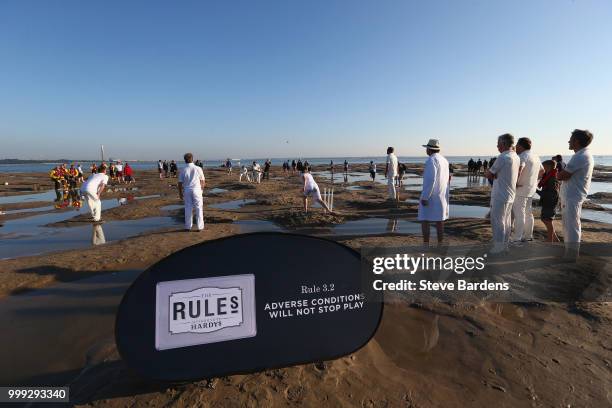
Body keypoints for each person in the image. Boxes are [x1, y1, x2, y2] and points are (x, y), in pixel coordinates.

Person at [557, 129, 594, 253]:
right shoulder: (583, 155)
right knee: (569, 225)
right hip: (573, 195)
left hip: (572, 196)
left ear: (576, 141)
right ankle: (570, 251)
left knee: (571, 226)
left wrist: (558, 174)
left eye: (571, 139)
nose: (568, 141)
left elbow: (563, 175)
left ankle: (571, 254)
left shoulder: (580, 156)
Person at [485, 134, 519, 253]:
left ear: (504, 144)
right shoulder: (515, 156)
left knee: (498, 221)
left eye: (498, 144)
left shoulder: (503, 157)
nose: (497, 146)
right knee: (506, 221)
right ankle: (505, 245)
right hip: (510, 193)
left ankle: (498, 247)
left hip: (500, 194)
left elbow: (489, 174)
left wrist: (491, 173)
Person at [511, 137, 543, 242]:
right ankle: (528, 236)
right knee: (528, 213)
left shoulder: (522, 156)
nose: (515, 147)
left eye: (517, 145)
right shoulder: (536, 156)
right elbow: (542, 171)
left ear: (520, 146)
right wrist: (533, 181)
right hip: (531, 189)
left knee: (519, 214)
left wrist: (515, 182)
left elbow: (520, 167)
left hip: (520, 189)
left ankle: (517, 238)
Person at [418, 139, 450, 245]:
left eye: (427, 148)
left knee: (425, 220)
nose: (426, 150)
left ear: (429, 149)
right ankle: (440, 244)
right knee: (439, 221)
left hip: (431, 195)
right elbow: (447, 179)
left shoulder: (431, 160)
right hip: (442, 194)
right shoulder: (444, 160)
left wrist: (425, 197)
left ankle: (426, 244)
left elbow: (430, 180)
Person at [178, 153, 205, 232]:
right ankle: (200, 227)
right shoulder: (198, 168)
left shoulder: (183, 169)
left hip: (187, 190)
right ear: (192, 159)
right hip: (197, 189)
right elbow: (203, 181)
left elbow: (179, 183)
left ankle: (188, 226)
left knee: (188, 208)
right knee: (199, 208)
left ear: (185, 160)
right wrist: (201, 190)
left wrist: (180, 193)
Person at [536, 160, 560, 242]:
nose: (542, 169)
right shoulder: (549, 176)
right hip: (549, 201)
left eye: (544, 167)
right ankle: (555, 239)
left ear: (548, 167)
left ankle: (550, 240)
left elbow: (552, 192)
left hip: (550, 202)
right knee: (545, 219)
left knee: (547, 220)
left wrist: (536, 191)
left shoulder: (552, 178)